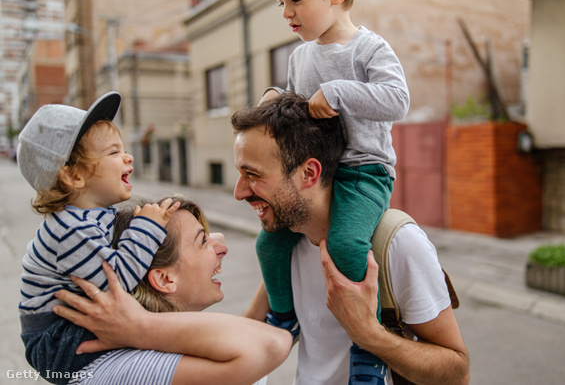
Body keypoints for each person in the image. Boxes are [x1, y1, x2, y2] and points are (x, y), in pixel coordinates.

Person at [234, 93, 469, 385]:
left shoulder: (398, 244)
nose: (239, 191)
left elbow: (458, 373)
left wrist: (370, 336)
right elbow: (249, 329)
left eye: (252, 174)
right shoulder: (288, 243)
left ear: (309, 173)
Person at [256, 0, 410, 380]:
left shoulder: (370, 48)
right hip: (315, 177)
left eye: (295, 1)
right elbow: (297, 111)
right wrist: (277, 99)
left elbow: (397, 100)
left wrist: (340, 91)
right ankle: (285, 317)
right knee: (268, 245)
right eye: (279, 3)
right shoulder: (300, 56)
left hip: (364, 172)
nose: (286, 12)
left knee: (344, 245)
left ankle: (369, 344)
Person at [16, 92, 180, 382]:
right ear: (75, 176)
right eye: (113, 153)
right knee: (149, 324)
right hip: (54, 341)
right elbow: (116, 280)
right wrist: (148, 227)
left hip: (63, 327)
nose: (128, 156)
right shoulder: (71, 229)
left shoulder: (91, 215)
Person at [53, 197, 292, 385]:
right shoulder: (134, 367)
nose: (222, 247)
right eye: (202, 241)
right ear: (165, 279)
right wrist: (139, 325)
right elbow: (273, 343)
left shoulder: (160, 345)